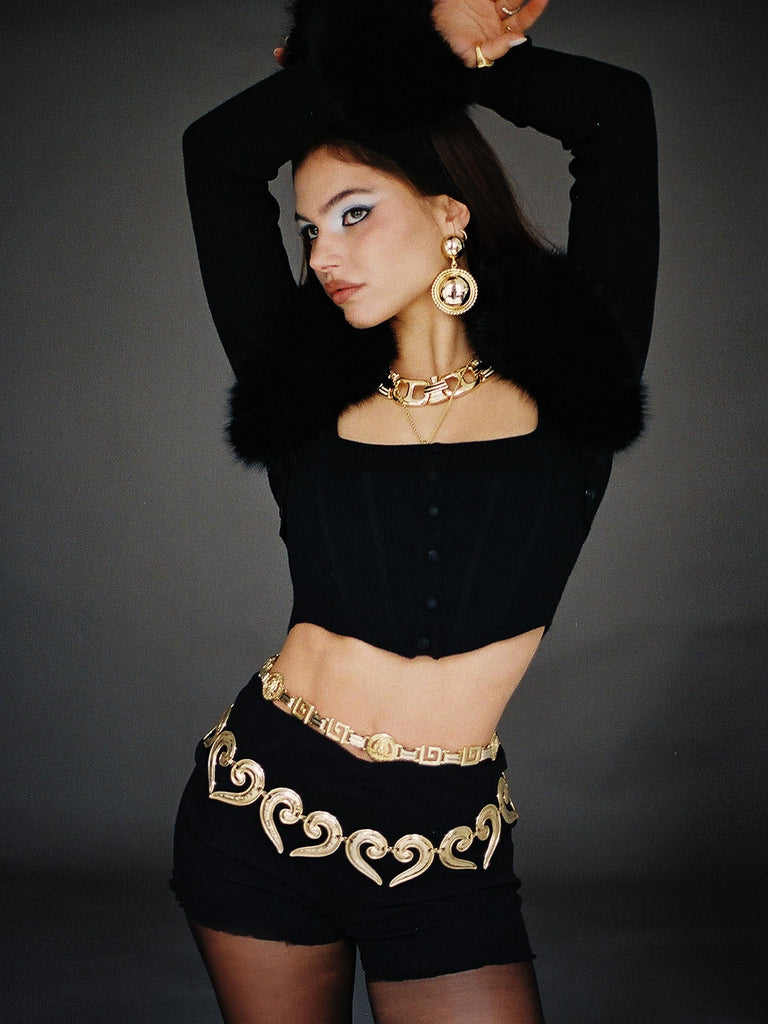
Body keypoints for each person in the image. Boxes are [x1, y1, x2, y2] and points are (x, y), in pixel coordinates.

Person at [171, 0, 658, 1020]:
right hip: (258, 810)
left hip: (445, 851)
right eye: (309, 230)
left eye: (355, 213)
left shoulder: (579, 373)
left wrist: (439, 45)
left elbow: (615, 115)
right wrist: (361, 51)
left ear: (449, 214)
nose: (325, 253)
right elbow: (215, 156)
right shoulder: (297, 384)